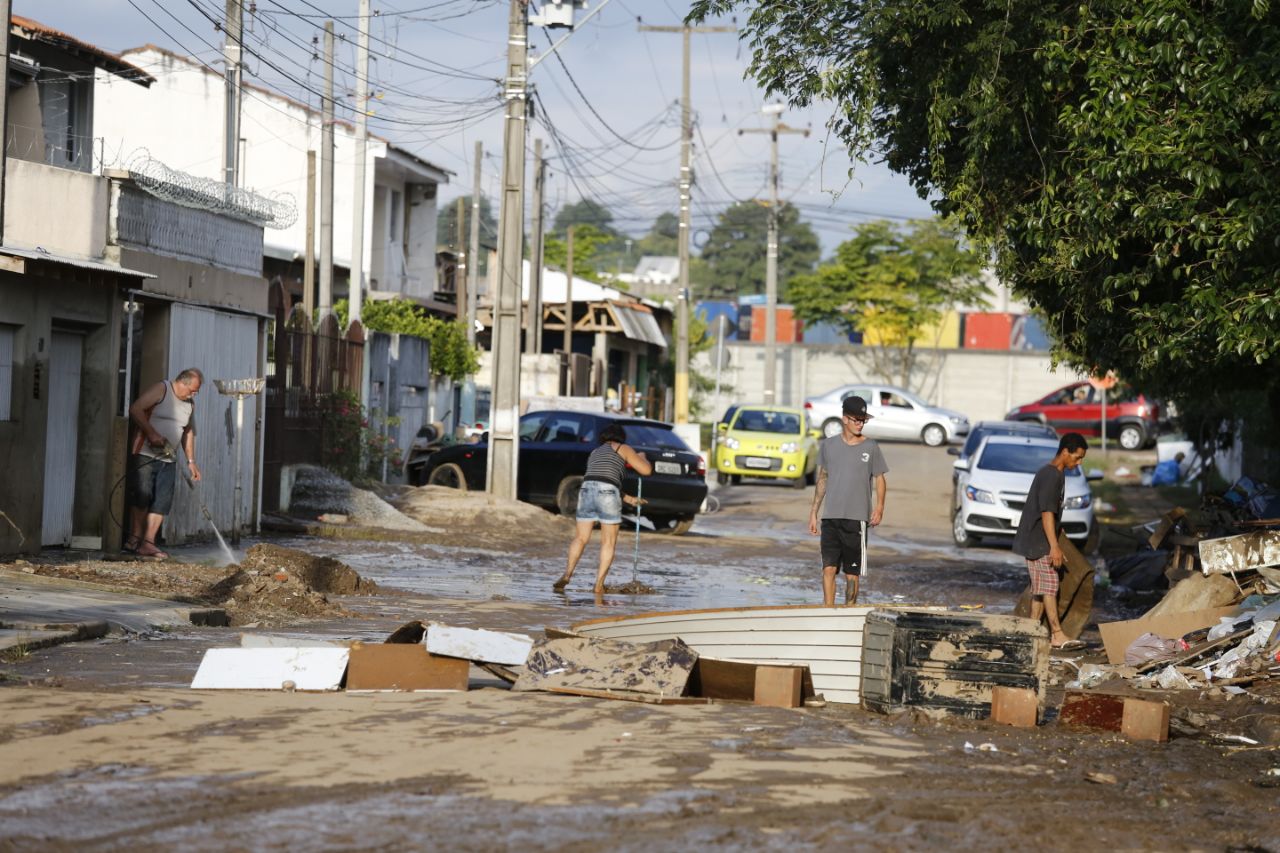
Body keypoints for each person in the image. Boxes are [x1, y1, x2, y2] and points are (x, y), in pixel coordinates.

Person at [808, 396, 888, 606]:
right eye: (856, 419)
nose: (860, 423)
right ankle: (827, 612)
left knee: (852, 573)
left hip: (857, 520)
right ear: (844, 419)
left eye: (863, 420)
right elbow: (823, 478)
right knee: (828, 568)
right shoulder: (829, 445)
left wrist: (879, 507)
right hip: (831, 517)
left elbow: (880, 478)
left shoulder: (871, 447)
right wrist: (814, 512)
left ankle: (849, 612)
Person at [554, 423, 652, 593]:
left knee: (580, 538)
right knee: (608, 542)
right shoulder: (623, 448)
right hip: (607, 492)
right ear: (621, 437)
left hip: (585, 490)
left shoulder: (595, 452)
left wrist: (628, 498)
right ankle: (599, 584)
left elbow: (601, 479)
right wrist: (642, 456)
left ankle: (567, 574)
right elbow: (646, 470)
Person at [1012, 432, 1089, 649]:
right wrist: (1054, 547)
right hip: (1038, 541)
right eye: (1077, 457)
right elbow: (1047, 512)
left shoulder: (1055, 473)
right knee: (1049, 586)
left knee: (1040, 588)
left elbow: (1051, 514)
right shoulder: (1052, 475)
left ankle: (1031, 631)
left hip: (1037, 539)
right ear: (1065, 452)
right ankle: (1056, 633)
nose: (1079, 462)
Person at [125, 368, 203, 558]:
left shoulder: (190, 404)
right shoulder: (162, 389)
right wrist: (151, 433)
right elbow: (136, 409)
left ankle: (148, 543)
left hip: (169, 458)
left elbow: (188, 432)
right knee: (142, 496)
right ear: (182, 383)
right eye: (193, 389)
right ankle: (134, 539)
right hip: (145, 454)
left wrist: (191, 461)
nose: (195, 394)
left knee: (161, 501)